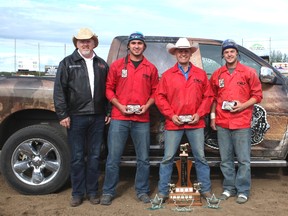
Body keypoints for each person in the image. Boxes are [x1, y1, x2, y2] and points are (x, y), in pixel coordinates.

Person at [100, 32, 159, 205]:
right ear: (129, 46)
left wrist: (146, 106)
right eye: (133, 43)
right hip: (120, 117)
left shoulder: (151, 68)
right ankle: (108, 191)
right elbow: (108, 89)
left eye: (139, 43)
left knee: (143, 158)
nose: (136, 46)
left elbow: (156, 92)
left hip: (141, 119)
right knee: (113, 157)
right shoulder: (118, 66)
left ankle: (142, 191)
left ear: (144, 46)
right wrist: (119, 105)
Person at [53, 28, 110, 207]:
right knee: (77, 157)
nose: (85, 44)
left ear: (94, 43)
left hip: (98, 117)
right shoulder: (67, 63)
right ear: (76, 43)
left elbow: (108, 90)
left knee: (94, 156)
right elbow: (59, 90)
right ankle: (77, 193)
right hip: (76, 117)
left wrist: (108, 111)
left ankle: (92, 192)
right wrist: (62, 114)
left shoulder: (102, 64)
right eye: (81, 41)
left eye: (88, 41)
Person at [155, 37, 215, 202]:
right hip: (173, 123)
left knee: (200, 157)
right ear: (175, 53)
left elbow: (208, 96)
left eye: (186, 51)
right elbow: (160, 97)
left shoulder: (200, 74)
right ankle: (162, 192)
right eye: (180, 51)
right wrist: (171, 115)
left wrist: (200, 113)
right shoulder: (167, 75)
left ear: (190, 53)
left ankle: (206, 189)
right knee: (167, 158)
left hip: (196, 124)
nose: (183, 54)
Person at [210, 39, 263, 204]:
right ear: (223, 55)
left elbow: (257, 95)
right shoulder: (218, 74)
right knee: (225, 159)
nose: (229, 54)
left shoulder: (248, 72)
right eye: (226, 52)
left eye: (232, 51)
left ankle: (243, 190)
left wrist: (242, 106)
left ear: (237, 53)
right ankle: (229, 188)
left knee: (243, 160)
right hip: (223, 123)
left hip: (241, 122)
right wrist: (213, 117)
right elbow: (213, 98)